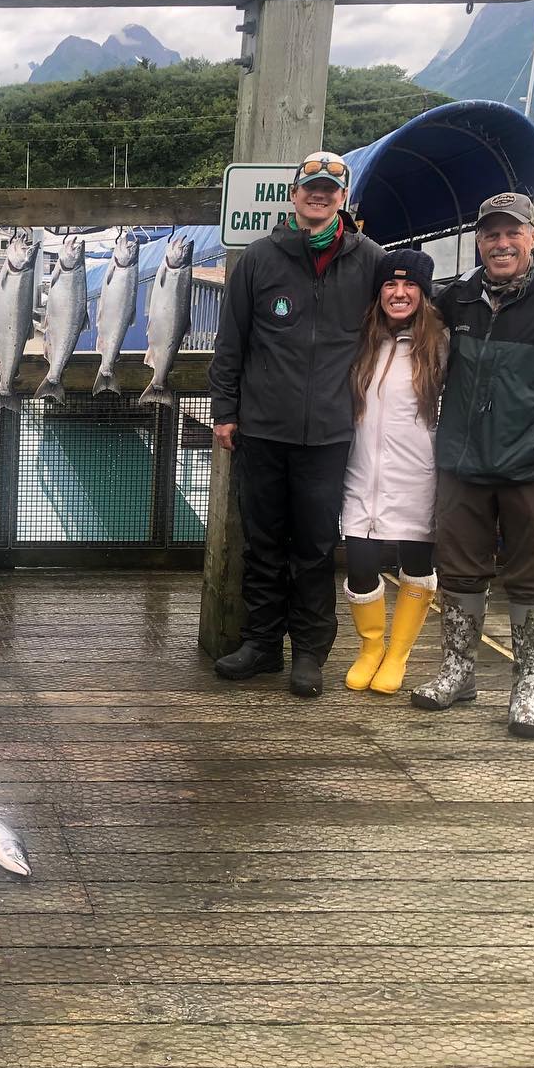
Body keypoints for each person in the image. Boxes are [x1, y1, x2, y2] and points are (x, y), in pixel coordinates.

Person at [209, 150, 384, 697]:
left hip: (330, 433)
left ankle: (309, 652)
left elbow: (409, 312)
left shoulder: (371, 260)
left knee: (314, 547)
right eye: (311, 186)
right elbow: (231, 340)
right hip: (262, 428)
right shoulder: (258, 259)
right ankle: (262, 644)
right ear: (294, 195)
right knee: (262, 543)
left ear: (343, 199)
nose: (319, 194)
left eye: (330, 188)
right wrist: (225, 411)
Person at [413, 192, 534, 738]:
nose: (501, 244)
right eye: (491, 234)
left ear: (532, 237)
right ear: (479, 241)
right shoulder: (456, 299)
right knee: (458, 569)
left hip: (531, 465)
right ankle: (458, 672)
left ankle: (529, 688)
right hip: (461, 461)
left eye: (512, 232)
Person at [341, 249, 445, 694]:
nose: (399, 293)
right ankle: (371, 647)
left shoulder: (440, 343)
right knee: (361, 564)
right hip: (362, 473)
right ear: (379, 291)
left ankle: (398, 654)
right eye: (390, 284)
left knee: (416, 565)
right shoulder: (362, 340)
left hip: (417, 475)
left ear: (423, 293)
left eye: (409, 286)